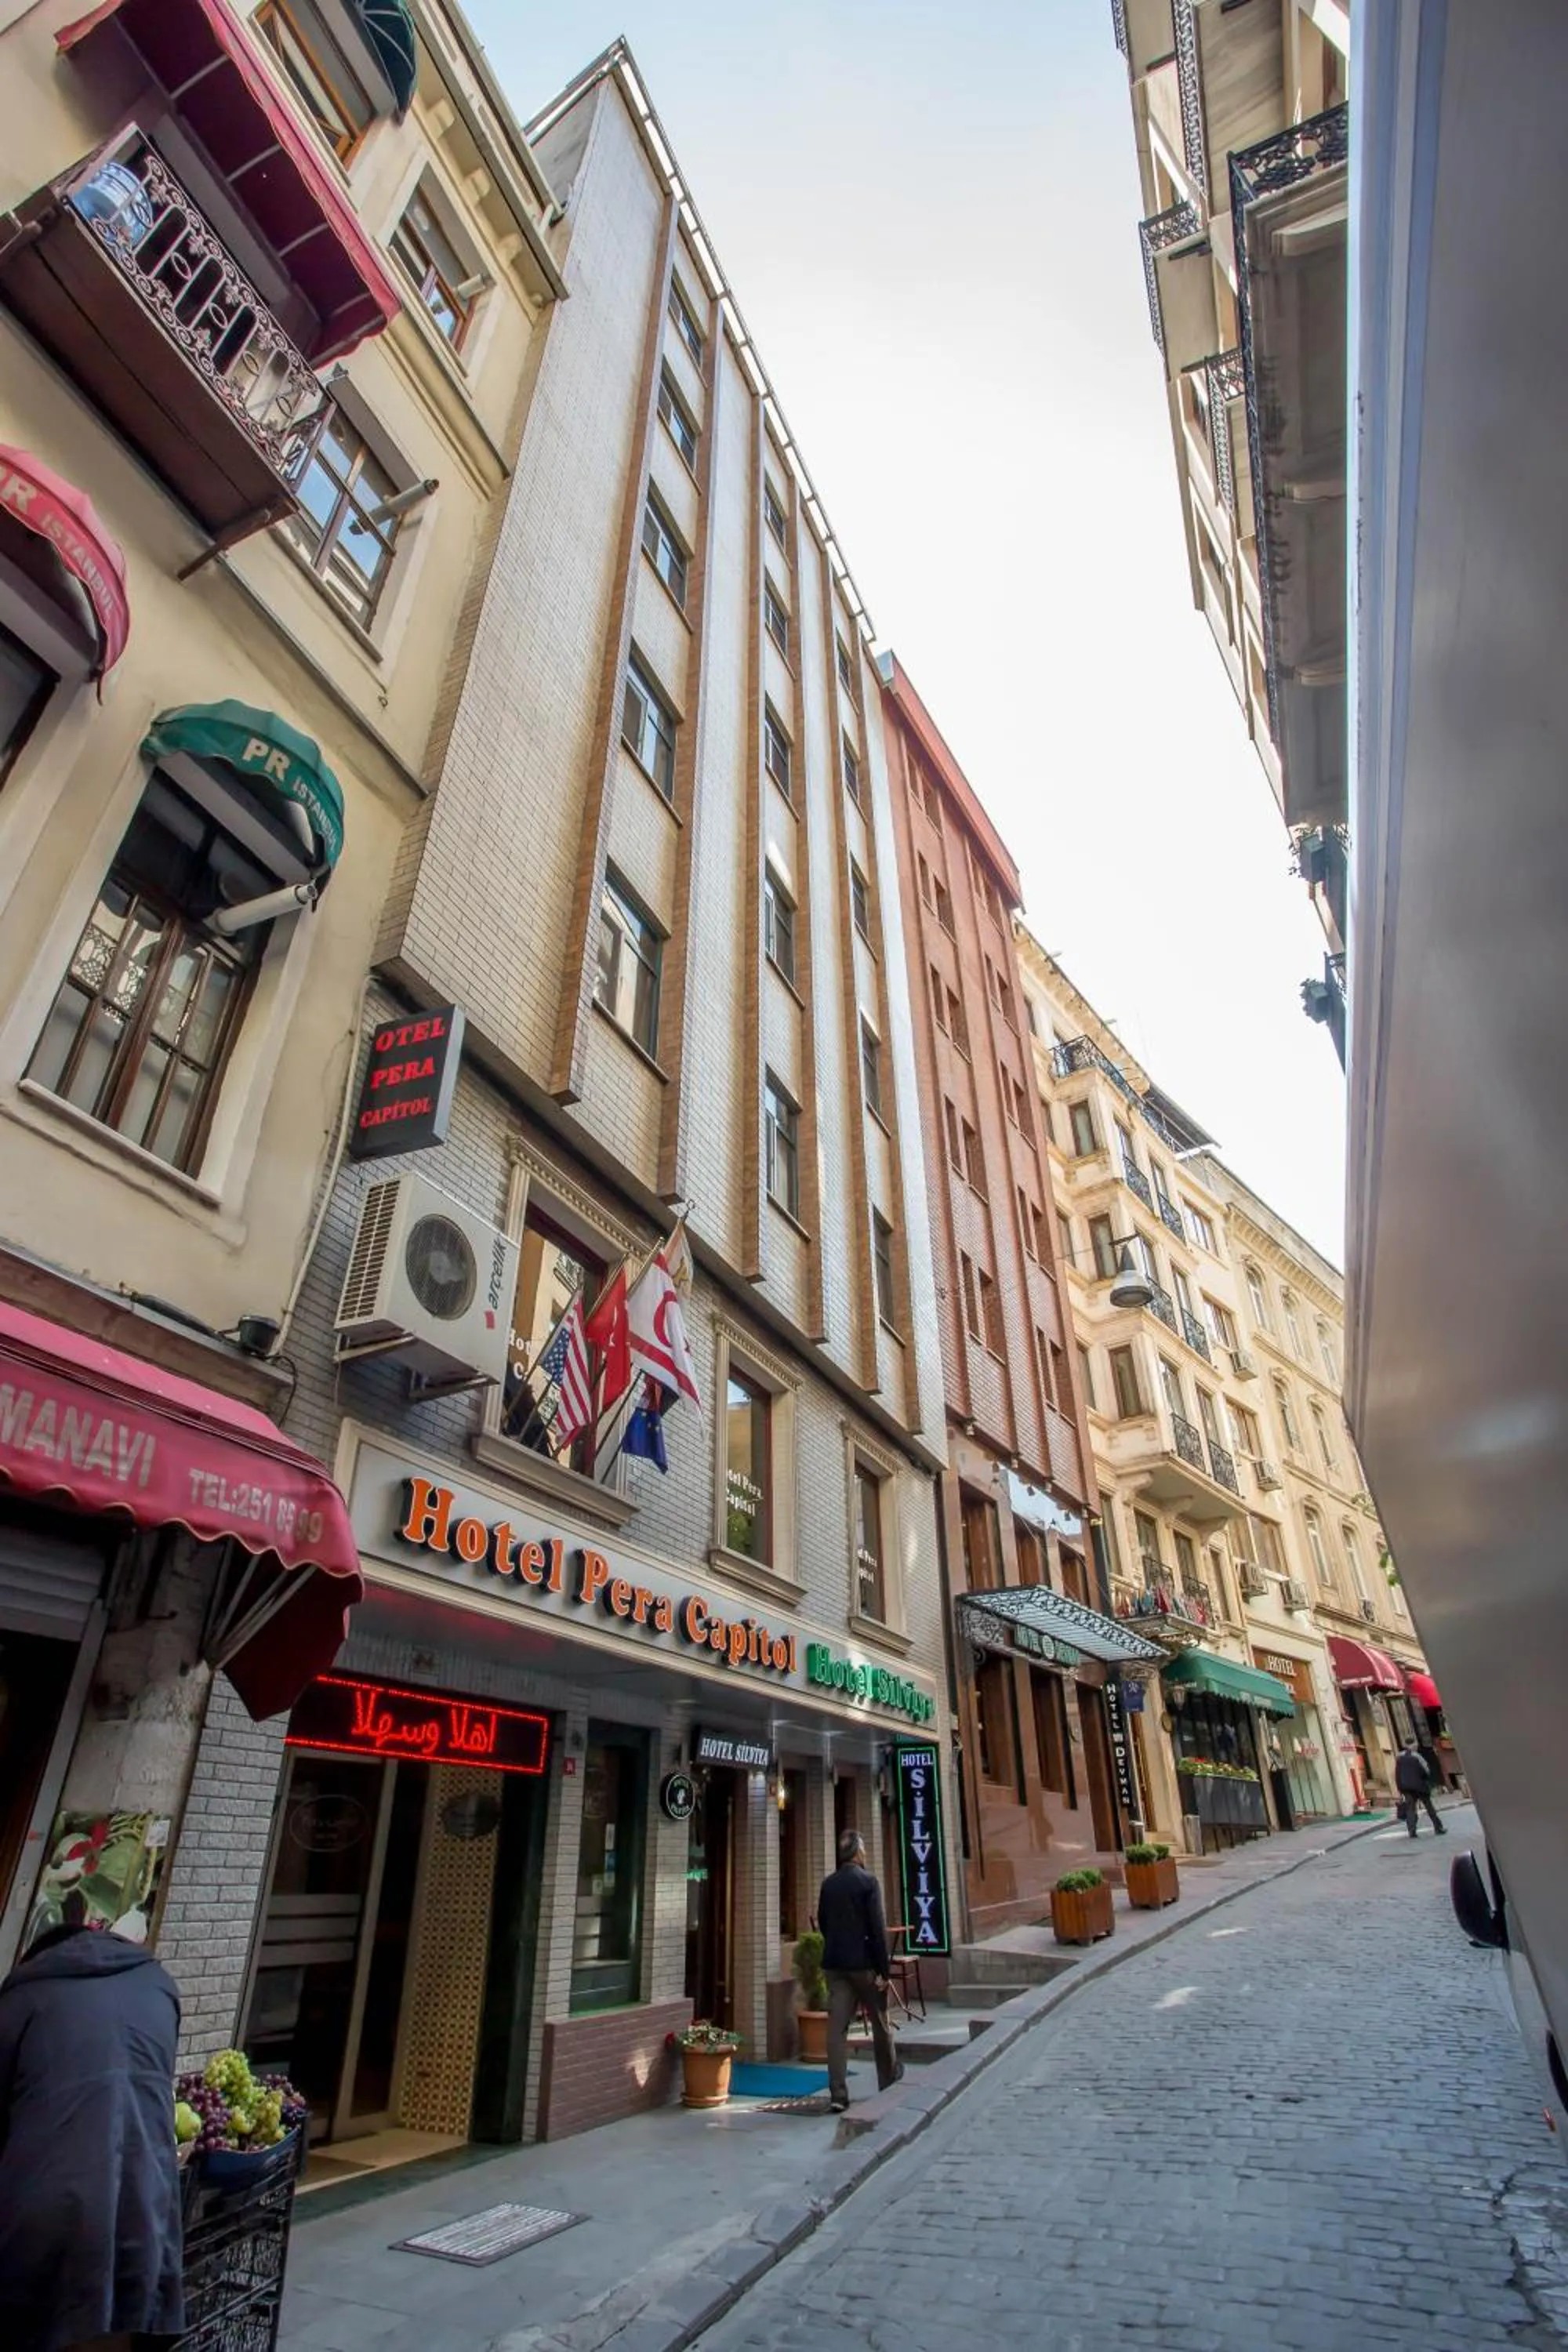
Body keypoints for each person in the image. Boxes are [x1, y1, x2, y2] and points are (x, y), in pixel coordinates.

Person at [0, 1906, 185, 2352]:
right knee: (121, 2319)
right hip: (146, 2201)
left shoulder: (22, 1997)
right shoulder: (160, 1986)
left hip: (46, 2207)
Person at [816, 1828, 903, 2113]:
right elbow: (877, 1928)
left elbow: (823, 1922)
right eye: (863, 1848)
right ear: (857, 1852)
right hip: (864, 1965)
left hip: (835, 1965)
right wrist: (884, 1971)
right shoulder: (868, 1882)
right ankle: (888, 2081)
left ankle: (838, 2094)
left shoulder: (829, 1885)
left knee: (836, 2030)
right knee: (880, 2022)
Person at [1395, 1739, 1445, 1838]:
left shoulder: (1399, 1758)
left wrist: (1400, 1788)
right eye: (1415, 1745)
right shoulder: (1417, 1757)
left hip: (1406, 1788)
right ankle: (1438, 1828)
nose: (1416, 1747)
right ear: (1413, 1745)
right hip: (1420, 1786)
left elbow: (1397, 1774)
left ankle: (1412, 1831)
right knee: (1429, 1807)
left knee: (1411, 1809)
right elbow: (1426, 1771)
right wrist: (1425, 1780)